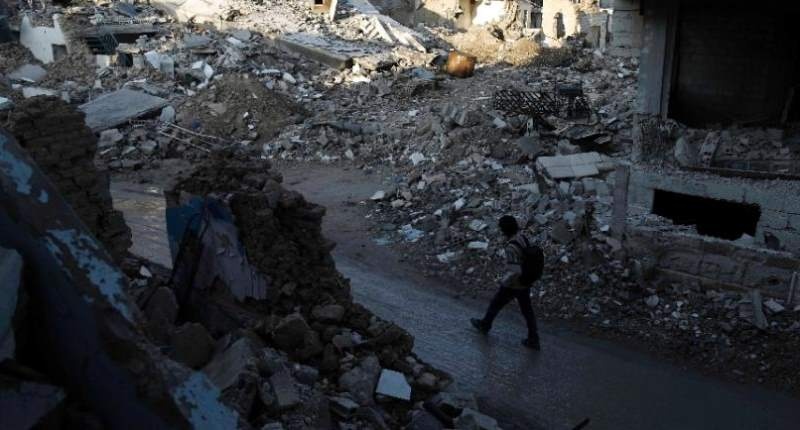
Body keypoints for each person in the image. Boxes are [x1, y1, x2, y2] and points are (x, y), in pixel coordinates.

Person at [471, 215, 542, 350]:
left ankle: (485, 325)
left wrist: (504, 281)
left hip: (515, 283)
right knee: (527, 311)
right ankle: (534, 339)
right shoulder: (522, 237)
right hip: (526, 280)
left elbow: (515, 270)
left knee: (496, 303)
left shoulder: (511, 247)